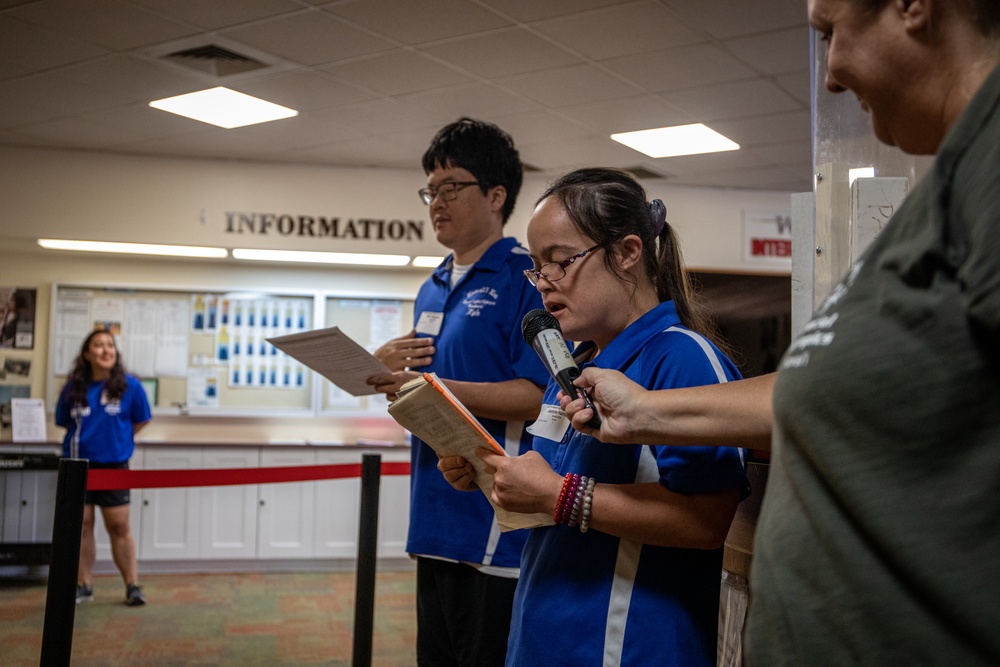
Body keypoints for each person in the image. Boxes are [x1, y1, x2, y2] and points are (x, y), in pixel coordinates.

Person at [561, 0, 1000, 663]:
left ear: (914, 7)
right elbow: (831, 390)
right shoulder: (951, 184)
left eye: (830, 31)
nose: (828, 76)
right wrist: (646, 410)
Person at [439, 168, 749, 666]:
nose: (544, 284)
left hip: (624, 646)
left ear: (628, 252)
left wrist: (558, 496)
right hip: (544, 637)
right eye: (536, 268)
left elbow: (706, 520)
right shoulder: (575, 365)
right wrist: (495, 477)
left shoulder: (681, 358)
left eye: (560, 262)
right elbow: (559, 501)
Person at [365, 118, 549, 667]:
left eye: (452, 186)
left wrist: (437, 388)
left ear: (496, 195)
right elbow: (427, 395)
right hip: (433, 512)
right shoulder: (433, 282)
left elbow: (539, 396)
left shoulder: (526, 278)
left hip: (492, 520)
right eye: (431, 188)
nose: (437, 201)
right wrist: (387, 373)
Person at [55, 329, 151, 607]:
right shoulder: (73, 387)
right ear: (87, 354)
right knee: (81, 527)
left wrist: (117, 440)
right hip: (77, 467)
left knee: (119, 526)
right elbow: (63, 421)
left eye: (110, 345)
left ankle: (132, 585)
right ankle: (84, 585)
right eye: (98, 345)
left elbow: (141, 420)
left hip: (114, 467)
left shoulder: (130, 386)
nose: (106, 350)